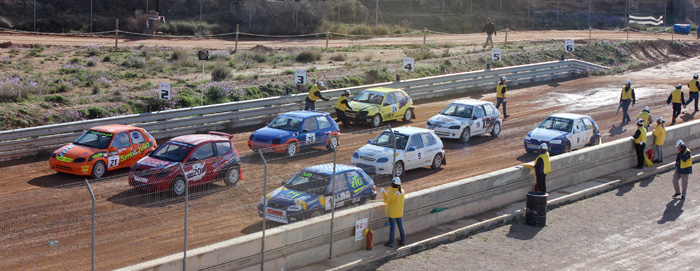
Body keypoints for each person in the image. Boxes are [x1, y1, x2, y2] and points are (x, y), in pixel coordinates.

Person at [381, 177, 405, 248]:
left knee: (393, 228)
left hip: (392, 213)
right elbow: (396, 194)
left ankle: (391, 242)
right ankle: (403, 240)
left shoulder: (392, 193)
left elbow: (386, 200)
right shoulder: (402, 191)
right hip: (399, 212)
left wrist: (383, 192)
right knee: (401, 226)